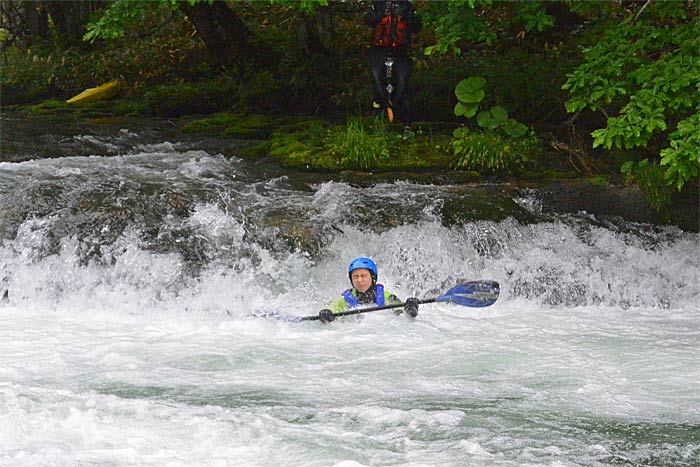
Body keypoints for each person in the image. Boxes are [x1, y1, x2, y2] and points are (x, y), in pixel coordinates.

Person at [365, 0, 421, 131]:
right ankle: (378, 121)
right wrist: (381, 13)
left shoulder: (407, 6)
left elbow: (417, 26)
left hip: (400, 51)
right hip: (379, 50)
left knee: (402, 86)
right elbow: (368, 20)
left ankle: (406, 125)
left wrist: (407, 16)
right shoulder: (378, 4)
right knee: (378, 85)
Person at [318, 257, 419, 323]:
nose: (359, 280)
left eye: (363, 276)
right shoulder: (344, 300)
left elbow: (402, 313)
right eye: (355, 277)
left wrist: (410, 308)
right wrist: (326, 314)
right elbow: (332, 309)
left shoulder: (386, 296)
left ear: (373, 278)